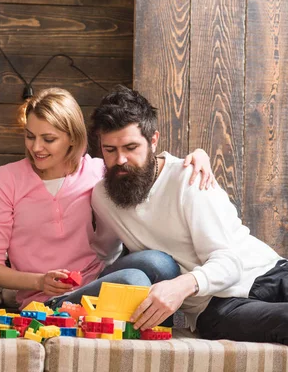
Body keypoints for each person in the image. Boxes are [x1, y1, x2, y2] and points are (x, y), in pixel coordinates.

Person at [0, 87, 214, 311]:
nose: (36, 147)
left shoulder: (98, 172)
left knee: (160, 263)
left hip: (97, 282)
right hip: (47, 302)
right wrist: (40, 282)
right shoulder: (5, 180)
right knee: (133, 280)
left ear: (72, 138)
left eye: (48, 139)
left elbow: (145, 167)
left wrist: (196, 156)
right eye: (30, 136)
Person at [90, 85, 287, 344]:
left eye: (131, 147)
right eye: (110, 150)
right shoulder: (102, 197)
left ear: (153, 140)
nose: (121, 160)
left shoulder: (189, 178)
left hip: (268, 271)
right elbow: (107, 255)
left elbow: (229, 263)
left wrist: (179, 286)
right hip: (218, 305)